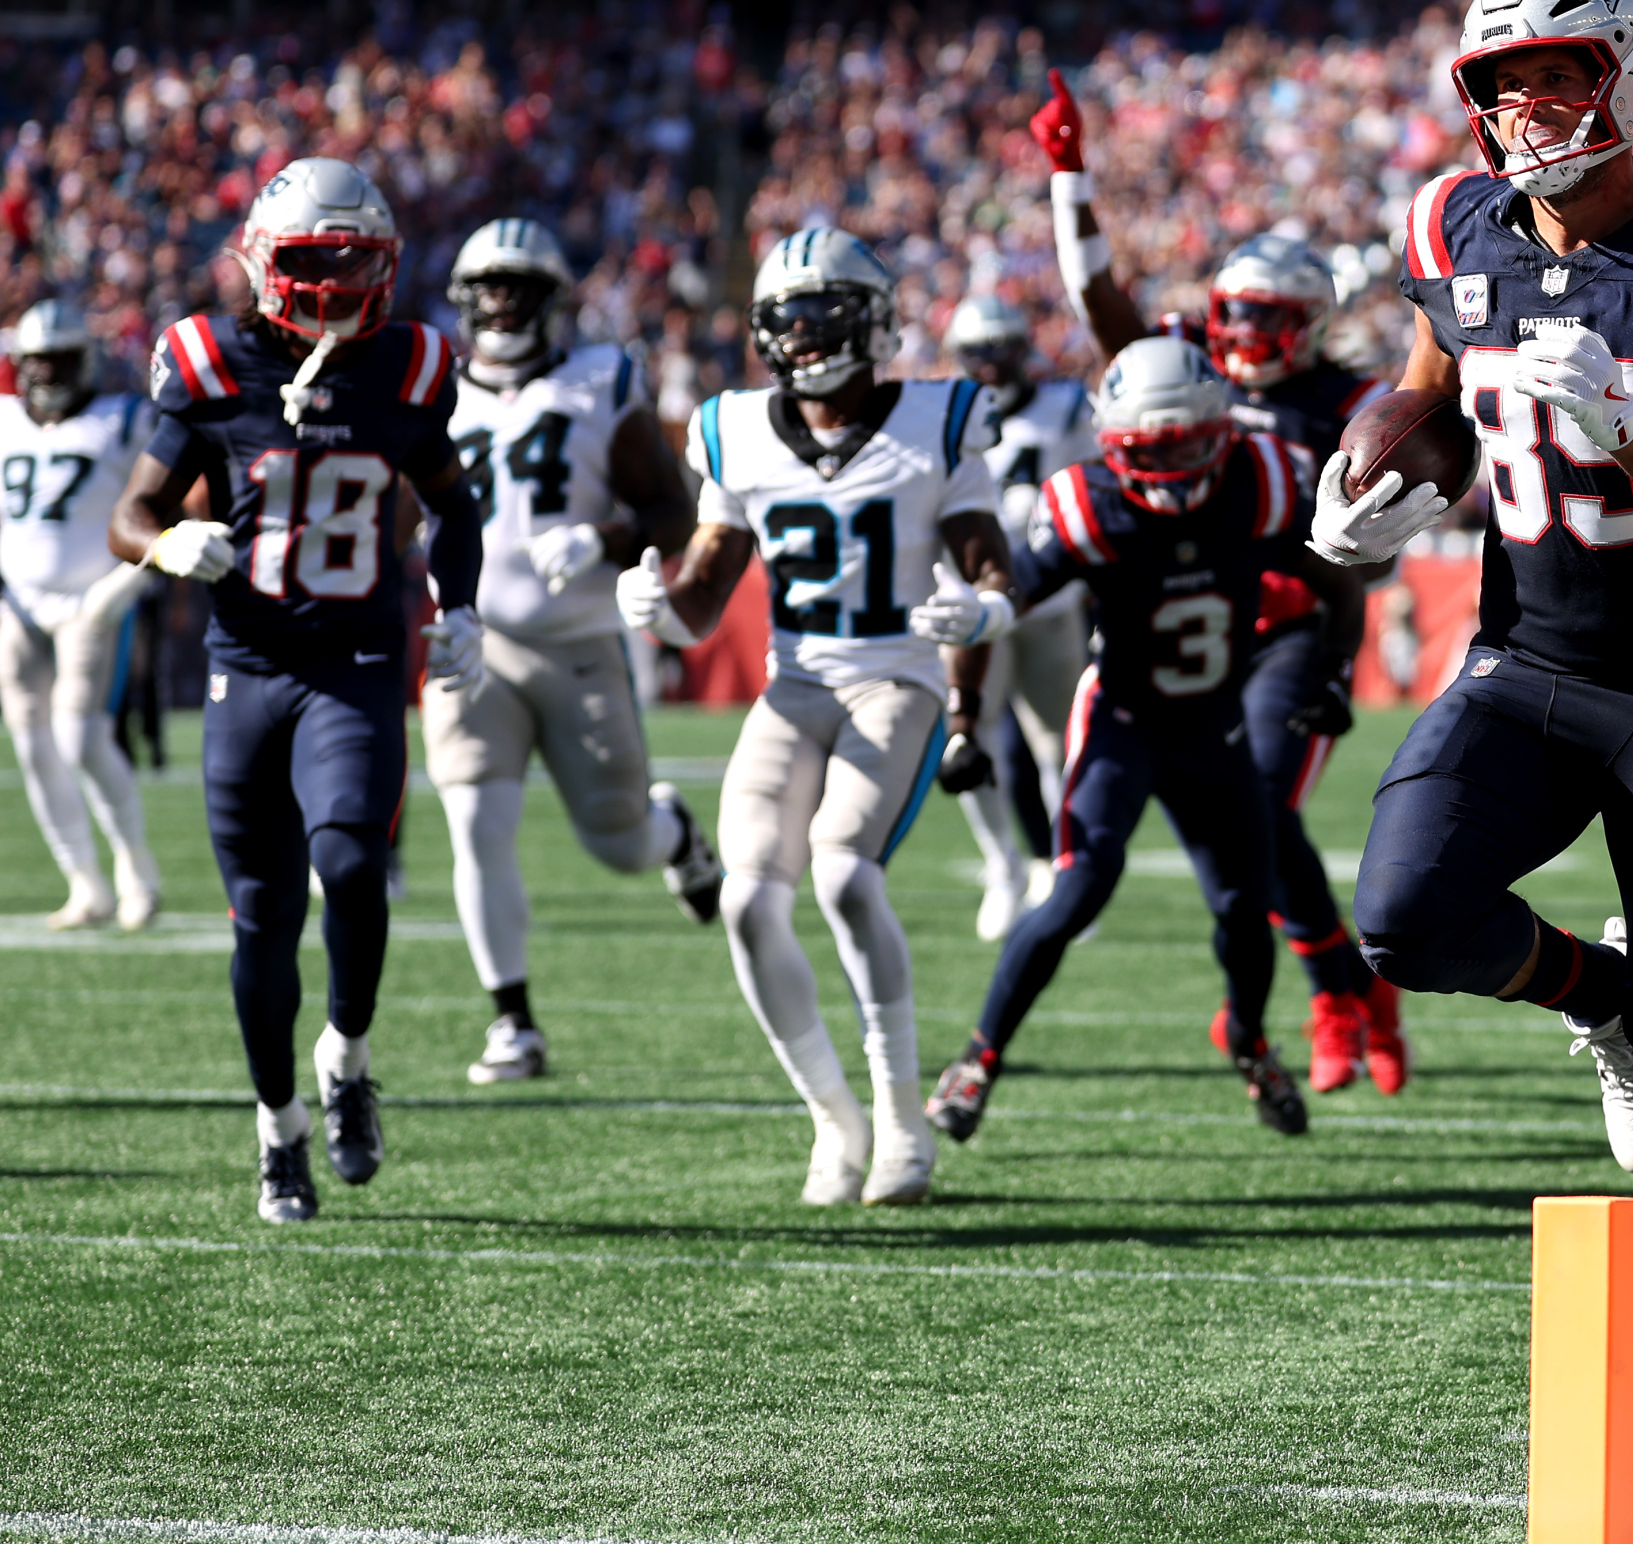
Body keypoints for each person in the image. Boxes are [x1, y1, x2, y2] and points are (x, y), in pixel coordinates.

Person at [1314, 0, 1633, 1431]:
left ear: (1631, 77)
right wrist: (1374, 494)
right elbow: (1437, 403)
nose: (1528, 108)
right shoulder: (1451, 224)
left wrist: (1624, 425)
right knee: (1404, 914)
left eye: (1558, 74)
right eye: (1505, 82)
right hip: (1525, 662)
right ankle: (1596, 996)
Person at [108, 157, 486, 1223]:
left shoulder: (410, 365)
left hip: (354, 662)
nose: (336, 281)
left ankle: (347, 1057)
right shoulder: (209, 361)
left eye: (356, 260)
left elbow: (453, 503)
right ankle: (278, 1129)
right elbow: (131, 514)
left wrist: (459, 607)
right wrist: (167, 542)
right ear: (265, 262)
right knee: (263, 922)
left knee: (353, 863)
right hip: (247, 666)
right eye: (317, 259)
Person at [615, 227, 1014, 1207]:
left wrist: (985, 613)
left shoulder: (939, 417)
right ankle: (835, 1119)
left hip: (899, 680)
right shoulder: (737, 428)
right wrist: (659, 607)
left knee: (842, 872)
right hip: (795, 684)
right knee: (748, 901)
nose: (800, 336)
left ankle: (901, 1119)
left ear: (870, 322)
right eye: (785, 319)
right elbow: (705, 595)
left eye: (821, 315)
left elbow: (988, 562)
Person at [1033, 74, 1405, 1094]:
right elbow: (1100, 304)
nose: (1240, 334)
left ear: (1311, 323)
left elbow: (1372, 548)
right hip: (1191, 627)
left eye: (1265, 317)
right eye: (1231, 312)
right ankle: (1348, 988)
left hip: (1293, 624)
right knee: (1254, 826)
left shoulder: (1354, 400)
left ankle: (1335, 994)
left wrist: (1344, 614)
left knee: (1265, 808)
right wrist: (1069, 178)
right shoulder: (1182, 365)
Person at [923, 336, 1366, 1143]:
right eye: (1149, 450)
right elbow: (1000, 602)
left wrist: (1333, 674)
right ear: (1112, 442)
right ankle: (977, 1060)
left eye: (1186, 445)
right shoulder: (1089, 504)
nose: (1170, 467)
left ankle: (1250, 1042)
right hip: (1122, 721)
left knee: (1245, 908)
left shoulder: (1262, 480)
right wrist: (961, 715)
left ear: (1221, 429)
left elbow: (1341, 585)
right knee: (1077, 889)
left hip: (1214, 728)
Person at [429, 217, 720, 1085]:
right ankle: (512, 1020)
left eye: (517, 288)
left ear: (550, 300)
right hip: (475, 639)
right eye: (488, 288)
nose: (501, 304)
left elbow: (674, 512)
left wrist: (603, 538)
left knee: (620, 843)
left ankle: (673, 834)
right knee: (475, 825)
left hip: (582, 642)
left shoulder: (600, 379)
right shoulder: (431, 389)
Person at [937, 292, 1095, 941]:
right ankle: (1002, 865)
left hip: (1047, 599)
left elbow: (1093, 488)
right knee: (968, 737)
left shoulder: (1066, 407)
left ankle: (1066, 875)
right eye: (977, 352)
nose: (990, 363)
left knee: (1061, 745)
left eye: (1000, 348)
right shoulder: (939, 413)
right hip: (971, 601)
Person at [0, 299, 160, 931]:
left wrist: (129, 583)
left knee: (79, 735)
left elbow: (165, 506)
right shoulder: (6, 421)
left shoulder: (124, 420)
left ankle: (136, 870)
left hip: (91, 599)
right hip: (16, 599)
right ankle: (84, 883)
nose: (47, 372)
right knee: (31, 742)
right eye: (38, 360)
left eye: (60, 359)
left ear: (84, 360)